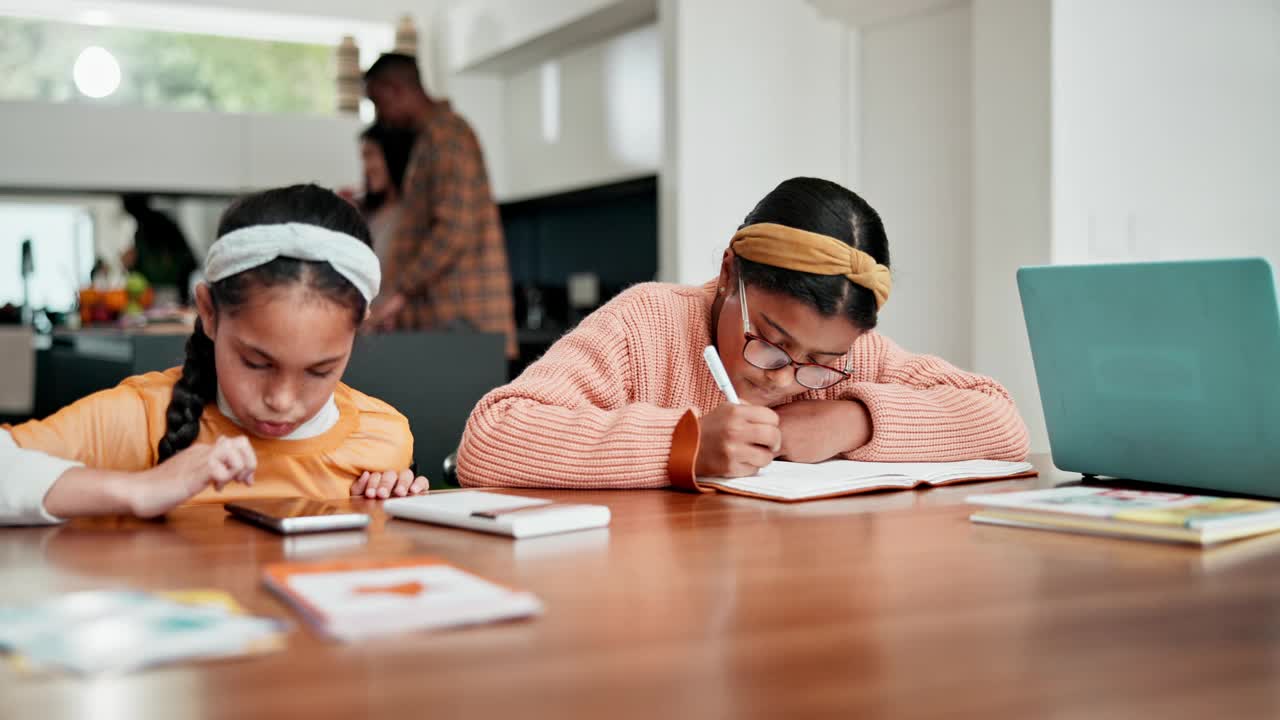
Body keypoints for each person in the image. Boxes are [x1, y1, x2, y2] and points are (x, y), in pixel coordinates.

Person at [456, 177, 1030, 489]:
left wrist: (851, 419)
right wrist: (686, 446)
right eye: (771, 341)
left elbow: (1001, 421)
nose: (786, 379)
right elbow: (491, 439)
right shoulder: (647, 323)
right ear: (731, 273)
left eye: (820, 358)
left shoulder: (845, 366)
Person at [0, 184, 428, 525]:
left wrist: (382, 514)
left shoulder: (383, 438)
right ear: (208, 312)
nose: (281, 400)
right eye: (256, 363)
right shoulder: (142, 419)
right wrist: (140, 490)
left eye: (320, 370)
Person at [362, 53, 517, 357]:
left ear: (396, 90)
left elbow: (454, 230)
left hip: (463, 322)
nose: (381, 117)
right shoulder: (432, 138)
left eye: (379, 103)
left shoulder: (448, 137)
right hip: (451, 323)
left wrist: (399, 293)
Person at [357, 123, 417, 291]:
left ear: (394, 155)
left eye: (370, 156)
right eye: (363, 158)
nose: (366, 168)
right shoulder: (369, 211)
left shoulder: (412, 215)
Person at [121, 193, 199, 305]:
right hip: (151, 293)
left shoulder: (161, 224)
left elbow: (189, 261)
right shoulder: (141, 229)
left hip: (169, 292)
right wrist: (130, 265)